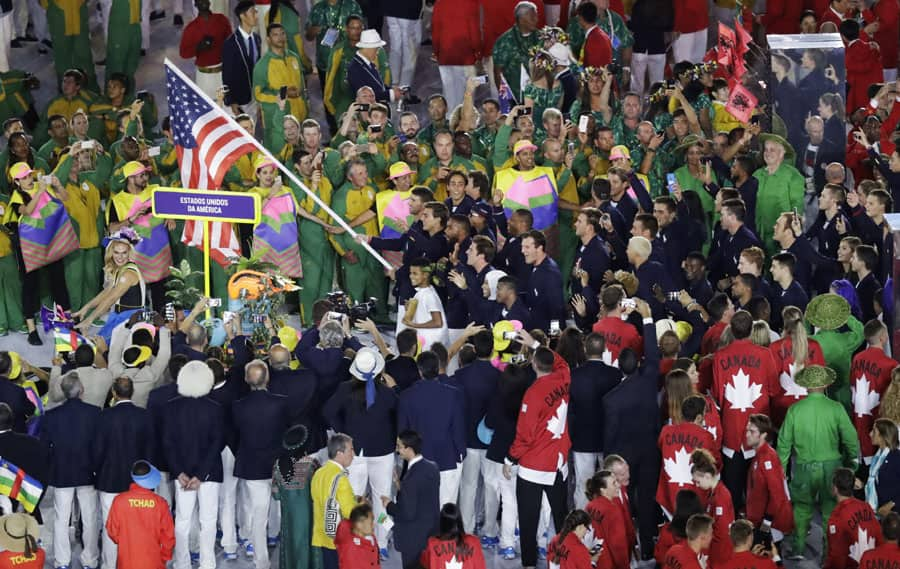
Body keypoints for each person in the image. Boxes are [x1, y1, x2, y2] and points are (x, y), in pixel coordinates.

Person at [777, 365, 860, 560]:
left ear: (805, 386)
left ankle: (798, 548)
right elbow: (851, 439)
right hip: (833, 469)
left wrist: (782, 471)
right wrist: (851, 465)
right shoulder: (836, 409)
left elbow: (783, 445)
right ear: (826, 384)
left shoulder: (795, 410)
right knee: (830, 513)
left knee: (801, 508)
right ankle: (827, 555)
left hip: (804, 469)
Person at [323, 347, 398, 557]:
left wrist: (343, 430)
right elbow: (397, 419)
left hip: (353, 453)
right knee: (382, 497)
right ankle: (382, 542)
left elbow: (327, 412)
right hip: (382, 451)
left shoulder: (344, 389)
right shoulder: (387, 393)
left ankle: (355, 539)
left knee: (353, 499)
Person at [505, 343, 572, 569]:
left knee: (528, 520)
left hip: (534, 466)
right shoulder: (564, 378)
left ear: (533, 364)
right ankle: (566, 560)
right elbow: (561, 362)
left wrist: (510, 459)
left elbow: (525, 435)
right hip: (558, 463)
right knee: (562, 517)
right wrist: (537, 344)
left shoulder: (533, 393)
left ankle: (529, 564)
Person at [163, 361, 225, 569]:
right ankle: (207, 563)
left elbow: (168, 443)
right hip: (209, 473)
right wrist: (201, 474)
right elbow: (217, 443)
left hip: (182, 474)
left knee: (182, 520)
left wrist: (179, 471)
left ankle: (182, 563)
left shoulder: (171, 407)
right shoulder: (215, 408)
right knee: (208, 521)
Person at [232, 360, 290, 569]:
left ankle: (261, 561)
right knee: (277, 508)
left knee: (258, 513)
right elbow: (287, 433)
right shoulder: (281, 403)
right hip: (277, 464)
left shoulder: (238, 406)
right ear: (267, 378)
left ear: (247, 380)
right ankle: (275, 538)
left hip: (252, 466)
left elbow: (234, 436)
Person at [39, 373, 101, 569]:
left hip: (61, 473)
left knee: (61, 519)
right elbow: (99, 446)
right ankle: (90, 560)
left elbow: (44, 447)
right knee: (90, 518)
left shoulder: (51, 416)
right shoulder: (95, 412)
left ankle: (62, 562)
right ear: (81, 390)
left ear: (64, 392)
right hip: (88, 473)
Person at [95, 376, 154, 569]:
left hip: (109, 480)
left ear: (113, 393)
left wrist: (97, 472)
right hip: (139, 482)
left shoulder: (104, 416)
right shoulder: (144, 416)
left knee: (110, 526)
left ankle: (110, 565)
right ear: (132, 392)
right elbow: (150, 451)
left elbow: (98, 450)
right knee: (139, 528)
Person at [398, 350, 466, 506]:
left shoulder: (406, 396)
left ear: (419, 371)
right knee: (446, 507)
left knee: (419, 507)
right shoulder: (453, 395)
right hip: (448, 458)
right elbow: (458, 429)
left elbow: (402, 432)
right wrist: (461, 453)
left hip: (418, 460)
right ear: (438, 368)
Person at [570, 332, 621, 509]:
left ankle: (581, 525)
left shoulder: (574, 375)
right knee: (609, 485)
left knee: (584, 485)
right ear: (605, 349)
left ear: (585, 349)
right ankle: (606, 523)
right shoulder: (615, 375)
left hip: (582, 438)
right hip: (608, 438)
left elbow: (571, 409)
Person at [383, 430, 441, 569]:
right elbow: (422, 496)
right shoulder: (432, 467)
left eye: (399, 447)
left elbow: (407, 513)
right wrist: (400, 486)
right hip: (429, 533)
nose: (397, 451)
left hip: (412, 538)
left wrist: (388, 505)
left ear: (409, 449)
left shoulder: (411, 479)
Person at [105, 460, 175, 569]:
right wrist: (165, 557)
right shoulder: (161, 503)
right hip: (154, 562)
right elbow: (168, 536)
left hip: (126, 562)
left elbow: (112, 531)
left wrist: (126, 542)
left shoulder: (119, 501)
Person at [272, 424, 319, 569]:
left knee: (290, 546)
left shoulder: (278, 465)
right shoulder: (311, 465)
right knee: (307, 546)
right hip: (308, 518)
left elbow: (276, 495)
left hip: (288, 518)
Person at [850, 320, 897, 463]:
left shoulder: (857, 358)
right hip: (879, 429)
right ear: (883, 338)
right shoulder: (892, 365)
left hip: (856, 423)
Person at [744, 414, 794, 542]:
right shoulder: (760, 455)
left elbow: (777, 496)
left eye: (752, 431)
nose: (747, 434)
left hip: (770, 526)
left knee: (771, 559)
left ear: (763, 435)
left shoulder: (768, 458)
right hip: (761, 523)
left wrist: (765, 526)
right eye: (747, 430)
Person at [311, 433, 357, 569]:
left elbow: (315, 499)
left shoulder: (319, 473)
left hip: (323, 536)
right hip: (340, 539)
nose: (353, 454)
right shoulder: (340, 478)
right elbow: (350, 512)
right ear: (339, 453)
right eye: (351, 450)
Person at [825, 467, 883, 569]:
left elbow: (836, 555)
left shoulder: (836, 517)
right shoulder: (866, 507)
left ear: (835, 489)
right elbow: (879, 535)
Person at [178, 0, 232, 98]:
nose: (203, 1)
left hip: (223, 72)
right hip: (204, 76)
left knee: (225, 107)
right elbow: (183, 53)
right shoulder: (191, 28)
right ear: (195, 4)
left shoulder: (221, 19)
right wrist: (198, 48)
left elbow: (231, 41)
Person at [691, 448, 735, 567]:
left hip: (721, 554)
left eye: (698, 481)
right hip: (715, 551)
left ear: (707, 476)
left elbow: (722, 532)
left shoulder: (721, 497)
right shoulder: (713, 493)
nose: (697, 485)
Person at [222, 1, 261, 118]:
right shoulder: (231, 43)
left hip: (254, 98)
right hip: (240, 101)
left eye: (256, 12)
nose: (256, 15)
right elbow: (227, 74)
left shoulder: (257, 39)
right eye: (252, 12)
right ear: (242, 16)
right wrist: (231, 101)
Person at [584, 470, 629, 568]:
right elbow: (618, 545)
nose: (618, 485)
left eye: (616, 481)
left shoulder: (589, 506)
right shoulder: (612, 510)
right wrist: (625, 566)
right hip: (609, 563)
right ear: (602, 490)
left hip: (592, 560)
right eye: (613, 483)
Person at [866, 419, 900, 517]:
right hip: (875, 514)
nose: (870, 434)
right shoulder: (877, 457)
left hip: (891, 517)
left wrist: (891, 504)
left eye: (874, 431)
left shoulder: (896, 458)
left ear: (883, 436)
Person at [334, 503, 380, 568]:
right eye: (371, 522)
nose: (374, 525)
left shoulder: (371, 537)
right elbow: (343, 526)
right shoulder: (347, 543)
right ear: (359, 524)